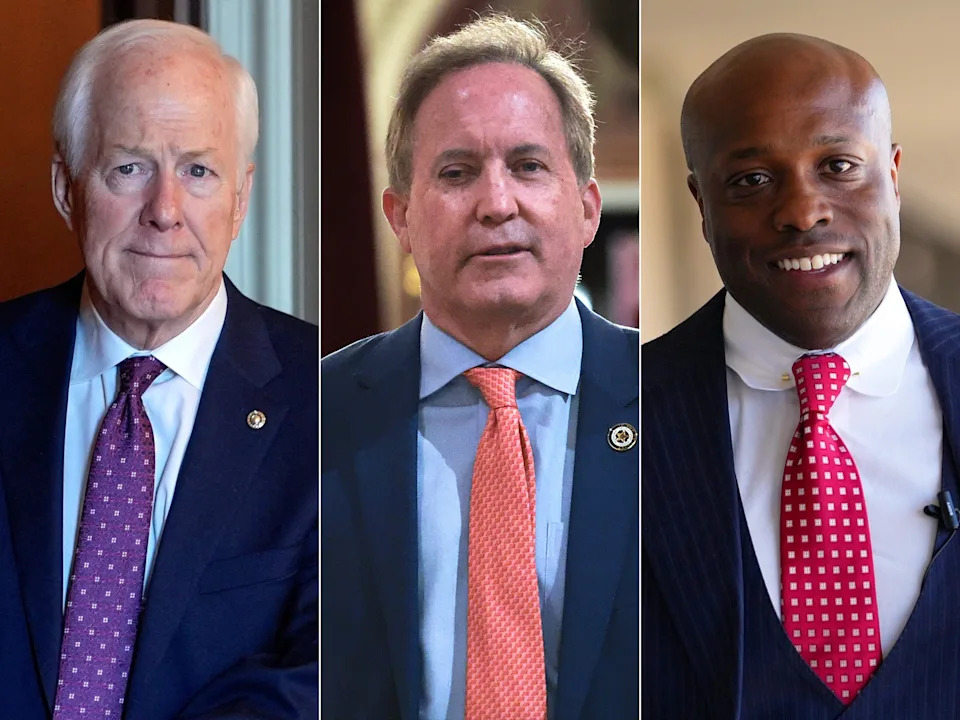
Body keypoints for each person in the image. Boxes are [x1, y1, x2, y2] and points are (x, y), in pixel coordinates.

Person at [321, 13, 638, 720]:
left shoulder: (678, 401)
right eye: (457, 173)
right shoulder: (314, 415)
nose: (496, 204)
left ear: (587, 209)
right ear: (400, 217)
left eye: (528, 166)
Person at [0, 19, 317, 719]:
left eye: (198, 171)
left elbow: (328, 673)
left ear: (240, 200)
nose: (164, 212)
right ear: (66, 187)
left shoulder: (333, 403)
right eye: (130, 167)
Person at [642, 32, 960, 717]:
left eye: (839, 165)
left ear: (893, 176)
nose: (802, 212)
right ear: (701, 204)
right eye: (752, 181)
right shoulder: (615, 415)